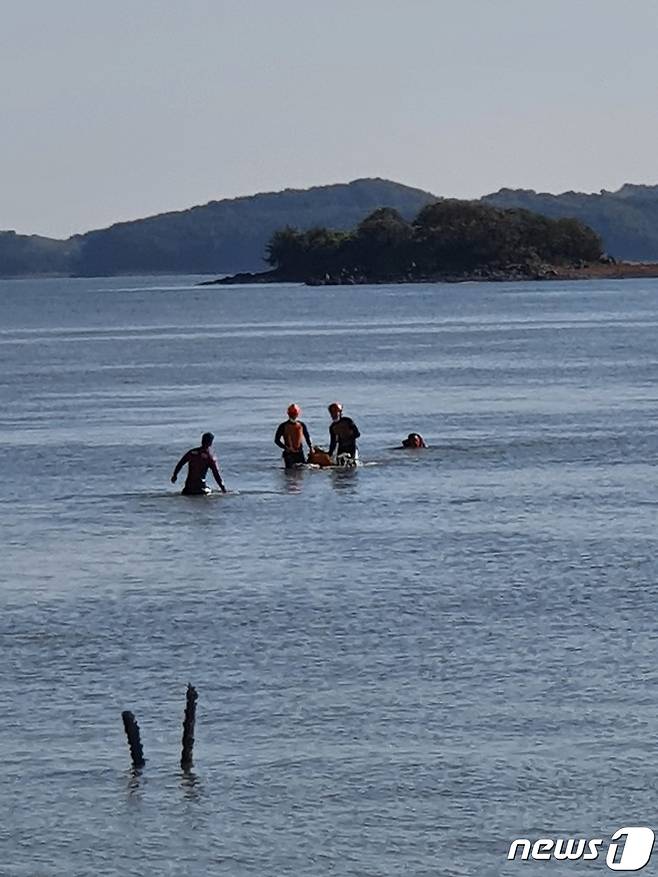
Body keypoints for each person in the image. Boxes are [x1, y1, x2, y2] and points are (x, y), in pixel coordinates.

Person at [274, 404, 312, 469]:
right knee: (291, 471)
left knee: (301, 471)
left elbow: (307, 437)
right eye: (292, 414)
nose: (293, 415)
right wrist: (286, 448)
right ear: (289, 414)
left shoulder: (301, 425)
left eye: (294, 413)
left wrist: (311, 447)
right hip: (289, 454)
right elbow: (276, 440)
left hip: (300, 453)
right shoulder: (283, 426)